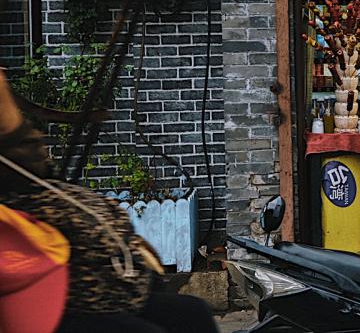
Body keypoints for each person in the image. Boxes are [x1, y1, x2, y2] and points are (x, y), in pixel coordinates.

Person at [0, 70, 218, 333]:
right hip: (55, 295)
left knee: (193, 313)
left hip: (114, 286)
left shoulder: (33, 174)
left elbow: (28, 157)